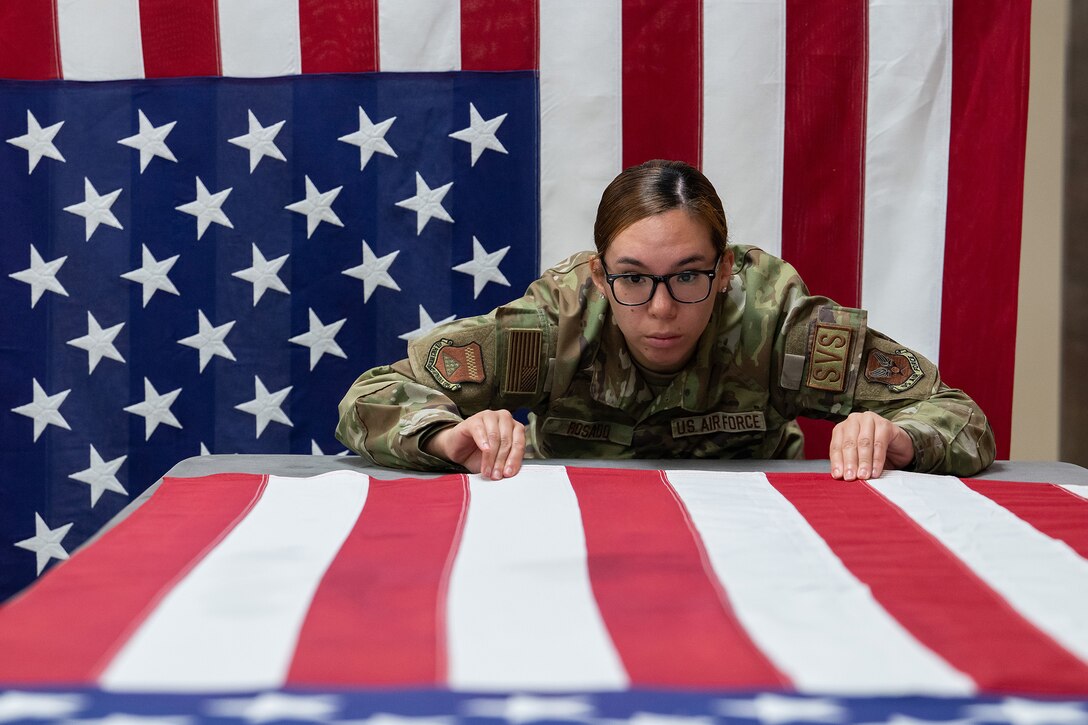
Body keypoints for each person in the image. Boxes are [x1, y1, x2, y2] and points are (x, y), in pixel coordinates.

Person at [336, 160, 995, 481]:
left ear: (727, 270)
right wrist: (449, 435)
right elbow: (369, 397)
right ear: (599, 276)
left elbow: (959, 414)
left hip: (761, 551)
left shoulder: (774, 322)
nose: (660, 307)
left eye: (688, 276)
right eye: (632, 278)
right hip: (576, 543)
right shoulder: (557, 323)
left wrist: (898, 437)